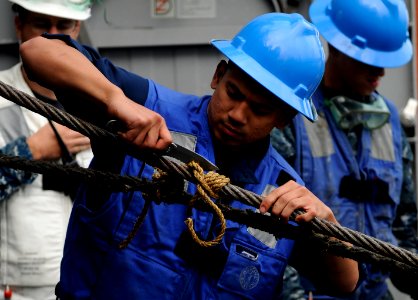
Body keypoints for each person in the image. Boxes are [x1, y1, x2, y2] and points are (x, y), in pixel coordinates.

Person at [20, 13, 360, 299]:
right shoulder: (146, 108)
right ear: (218, 75)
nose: (237, 115)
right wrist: (116, 101)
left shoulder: (284, 193)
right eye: (233, 93)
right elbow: (38, 51)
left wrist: (326, 227)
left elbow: (343, 284)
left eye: (259, 110)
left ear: (284, 119)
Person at [271, 0, 418, 299]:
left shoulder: (390, 122)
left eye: (385, 60)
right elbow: (267, 223)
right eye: (368, 59)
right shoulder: (293, 117)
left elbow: (406, 226)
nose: (380, 72)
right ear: (336, 47)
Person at [0, 0, 94, 299]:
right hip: (18, 286)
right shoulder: (1, 95)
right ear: (19, 26)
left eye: (64, 26)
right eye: (41, 24)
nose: (53, 36)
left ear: (76, 28)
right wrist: (31, 152)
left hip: (90, 278)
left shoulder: (104, 98)